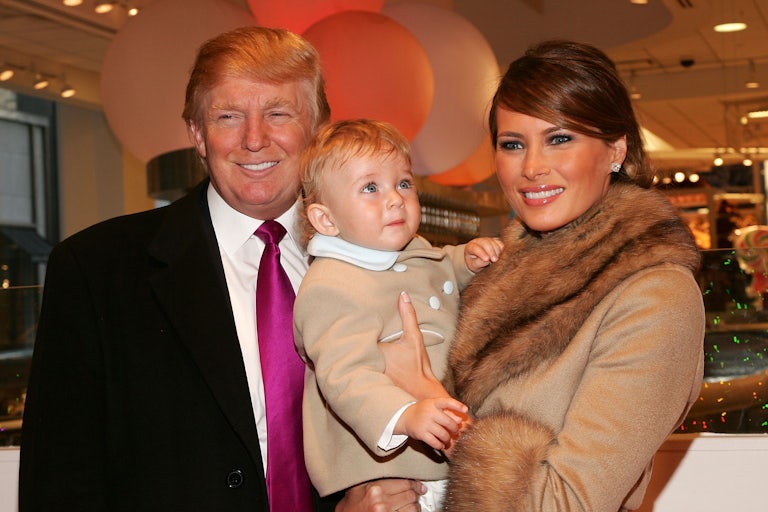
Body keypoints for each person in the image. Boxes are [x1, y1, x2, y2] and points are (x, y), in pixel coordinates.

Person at [19, 26, 424, 512]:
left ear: (317, 131)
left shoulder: (402, 265)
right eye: (228, 116)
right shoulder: (95, 270)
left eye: (278, 113)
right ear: (197, 135)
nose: (254, 139)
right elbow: (60, 484)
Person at [381, 40, 705, 512]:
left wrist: (432, 402)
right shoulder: (493, 270)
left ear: (616, 149)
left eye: (559, 139)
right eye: (512, 145)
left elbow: (565, 502)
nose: (531, 168)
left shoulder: (655, 297)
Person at [293, 119, 503, 511]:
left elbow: (437, 267)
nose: (394, 199)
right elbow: (346, 375)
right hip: (393, 465)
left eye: (403, 183)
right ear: (326, 220)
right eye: (370, 188)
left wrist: (467, 261)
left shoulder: (408, 249)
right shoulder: (331, 286)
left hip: (440, 453)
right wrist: (404, 414)